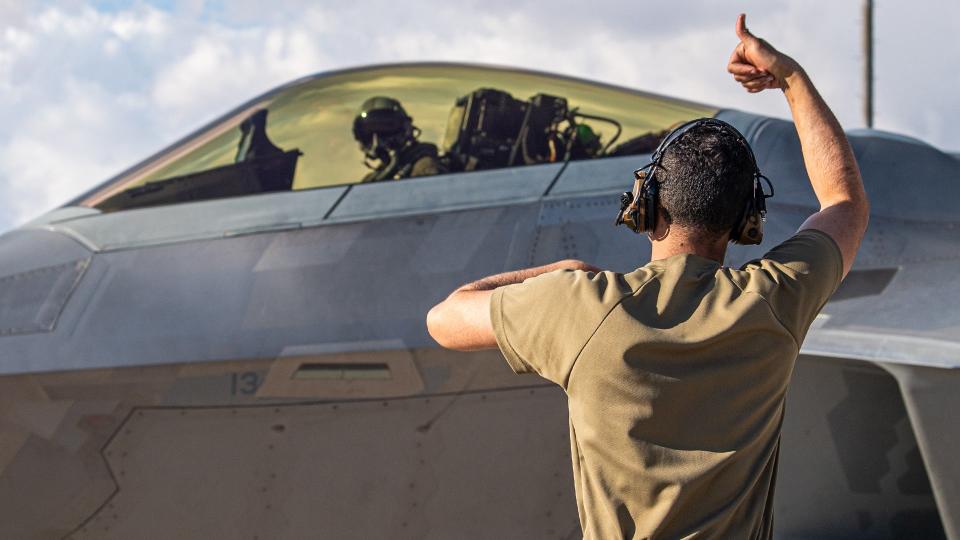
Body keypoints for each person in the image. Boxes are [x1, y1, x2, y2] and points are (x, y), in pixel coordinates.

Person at [425, 13, 869, 540]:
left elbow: (444, 319)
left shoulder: (579, 306)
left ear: (646, 207)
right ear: (746, 222)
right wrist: (790, 79)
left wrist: (561, 272)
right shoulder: (772, 299)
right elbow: (844, 201)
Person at [352, 96, 445, 182]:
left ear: (406, 129)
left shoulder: (424, 169)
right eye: (367, 133)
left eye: (386, 129)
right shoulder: (373, 179)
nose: (376, 141)